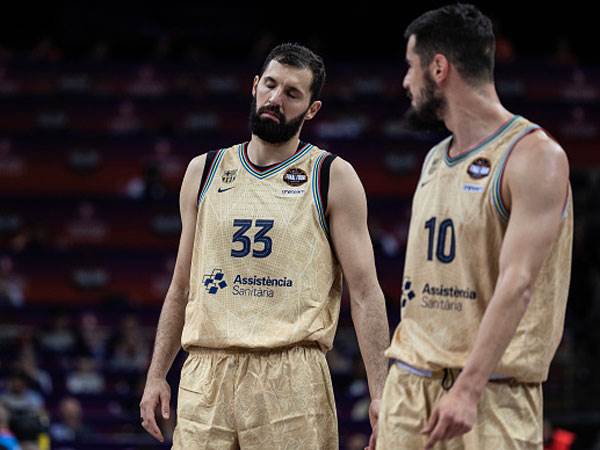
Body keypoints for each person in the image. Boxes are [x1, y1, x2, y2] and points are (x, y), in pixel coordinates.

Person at [140, 43, 390, 449]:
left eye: (292, 94)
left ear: (312, 109)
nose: (276, 99)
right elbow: (181, 286)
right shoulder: (202, 171)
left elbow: (365, 293)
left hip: (291, 373)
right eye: (270, 85)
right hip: (206, 371)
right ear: (255, 86)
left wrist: (381, 392)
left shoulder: (332, 176)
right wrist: (156, 375)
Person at [377, 4, 572, 450]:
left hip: (488, 394)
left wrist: (467, 387)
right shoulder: (432, 160)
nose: (406, 82)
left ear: (439, 68)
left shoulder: (534, 156)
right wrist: (393, 406)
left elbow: (518, 283)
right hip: (410, 388)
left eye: (411, 67)